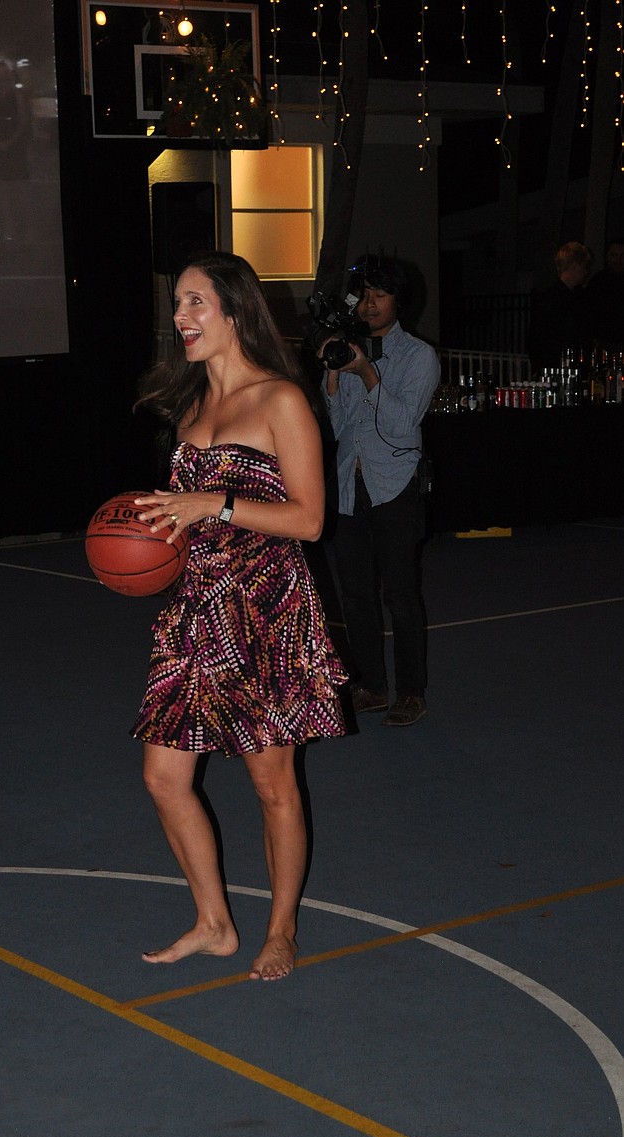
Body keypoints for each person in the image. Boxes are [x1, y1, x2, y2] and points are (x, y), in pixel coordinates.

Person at [131, 251, 348, 981]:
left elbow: (312, 519)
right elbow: (191, 514)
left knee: (272, 783)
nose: (181, 317)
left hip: (264, 608)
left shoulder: (281, 399)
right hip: (194, 606)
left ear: (233, 311)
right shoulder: (192, 406)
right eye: (177, 304)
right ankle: (215, 922)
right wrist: (155, 529)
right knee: (164, 776)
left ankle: (281, 928)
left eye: (196, 303)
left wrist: (212, 503)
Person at [322, 255, 440, 728]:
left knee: (401, 594)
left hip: (394, 486)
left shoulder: (418, 356)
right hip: (349, 485)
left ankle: (411, 691)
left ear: (399, 301)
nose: (369, 304)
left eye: (380, 295)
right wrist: (334, 370)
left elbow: (398, 425)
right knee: (355, 595)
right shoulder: (349, 348)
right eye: (364, 294)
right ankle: (369, 685)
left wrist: (367, 372)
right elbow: (336, 423)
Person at [0, 61, 32, 244]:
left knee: (20, 190)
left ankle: (27, 228)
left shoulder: (17, 95)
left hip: (15, 144)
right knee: (2, 191)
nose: (2, 78)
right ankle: (9, 228)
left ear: (10, 76)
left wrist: (10, 142)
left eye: (5, 74)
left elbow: (23, 121)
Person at [527, 241, 594, 374]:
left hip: (565, 366)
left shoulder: (575, 296)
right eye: (584, 267)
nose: (586, 272)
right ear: (575, 266)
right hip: (557, 368)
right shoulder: (553, 299)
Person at [586, 238, 624, 353]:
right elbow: (588, 312)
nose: (618, 260)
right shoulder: (598, 282)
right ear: (607, 257)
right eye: (614, 255)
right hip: (603, 343)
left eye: (622, 256)